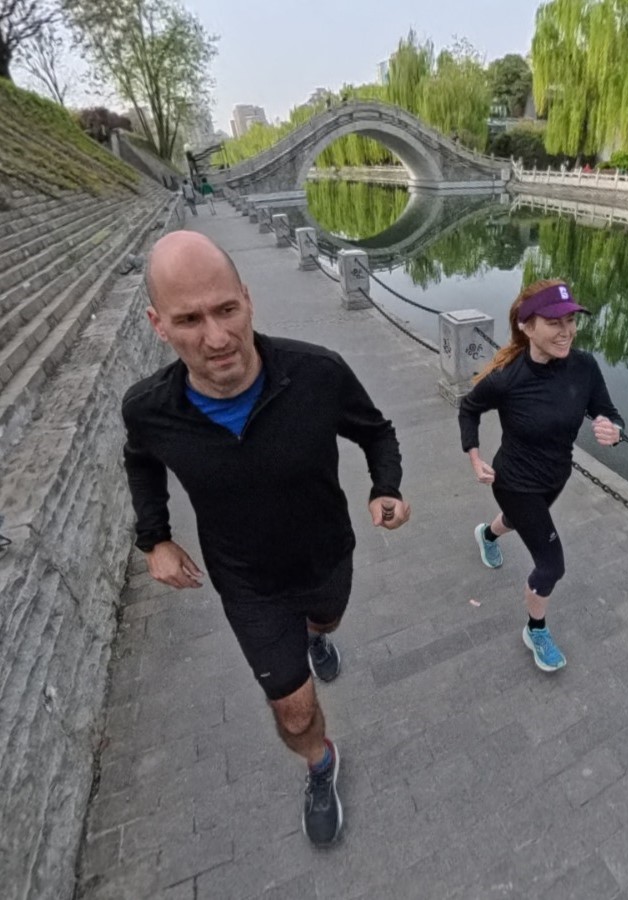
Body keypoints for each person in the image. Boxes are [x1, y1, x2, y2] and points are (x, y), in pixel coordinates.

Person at [121, 231, 410, 846]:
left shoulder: (317, 373)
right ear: (157, 324)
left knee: (325, 624)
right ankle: (319, 764)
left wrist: (385, 487)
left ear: (248, 299)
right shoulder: (148, 409)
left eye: (226, 310)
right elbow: (141, 461)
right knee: (294, 707)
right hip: (247, 584)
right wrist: (155, 539)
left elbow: (377, 432)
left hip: (326, 554)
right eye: (189, 319)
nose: (217, 337)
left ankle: (317, 636)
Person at [458, 279, 624, 672]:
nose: (566, 331)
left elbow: (608, 411)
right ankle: (536, 629)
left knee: (518, 524)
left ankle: (486, 534)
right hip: (514, 482)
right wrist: (474, 456)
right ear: (527, 325)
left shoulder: (584, 367)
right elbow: (468, 408)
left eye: (571, 320)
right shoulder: (508, 377)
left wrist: (613, 430)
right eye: (554, 322)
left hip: (556, 477)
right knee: (551, 565)